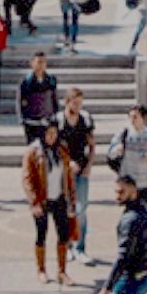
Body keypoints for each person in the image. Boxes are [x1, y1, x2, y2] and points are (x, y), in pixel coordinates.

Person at [22, 119, 79, 285]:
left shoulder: (62, 149)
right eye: (48, 133)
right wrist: (34, 202)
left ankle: (62, 271)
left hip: (60, 197)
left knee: (63, 234)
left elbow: (68, 177)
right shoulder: (33, 151)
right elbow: (27, 179)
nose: (52, 137)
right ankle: (41, 269)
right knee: (41, 234)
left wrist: (72, 201)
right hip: (42, 199)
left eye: (55, 133)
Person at [99, 173, 147, 294]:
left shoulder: (129, 220)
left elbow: (122, 257)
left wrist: (106, 289)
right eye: (116, 192)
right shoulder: (145, 211)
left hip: (131, 281)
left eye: (121, 192)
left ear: (134, 192)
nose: (117, 197)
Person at [57, 88, 98, 263]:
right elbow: (54, 146)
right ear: (67, 102)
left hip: (81, 169)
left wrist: (88, 165)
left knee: (81, 209)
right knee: (66, 209)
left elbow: (92, 145)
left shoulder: (85, 119)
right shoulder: (58, 121)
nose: (78, 106)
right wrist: (66, 164)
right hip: (63, 171)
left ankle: (80, 247)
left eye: (80, 103)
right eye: (75, 103)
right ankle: (66, 246)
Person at [109, 105, 147, 201]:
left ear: (143, 118)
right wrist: (117, 149)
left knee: (143, 210)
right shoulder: (123, 133)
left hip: (142, 180)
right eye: (130, 117)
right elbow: (110, 154)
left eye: (135, 117)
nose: (132, 120)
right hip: (127, 179)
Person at [20, 50, 62, 144]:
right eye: (39, 62)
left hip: (47, 120)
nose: (41, 65)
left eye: (43, 62)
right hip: (31, 121)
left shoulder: (51, 79)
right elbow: (20, 101)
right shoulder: (26, 81)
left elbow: (54, 98)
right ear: (32, 63)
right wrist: (22, 119)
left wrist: (55, 116)